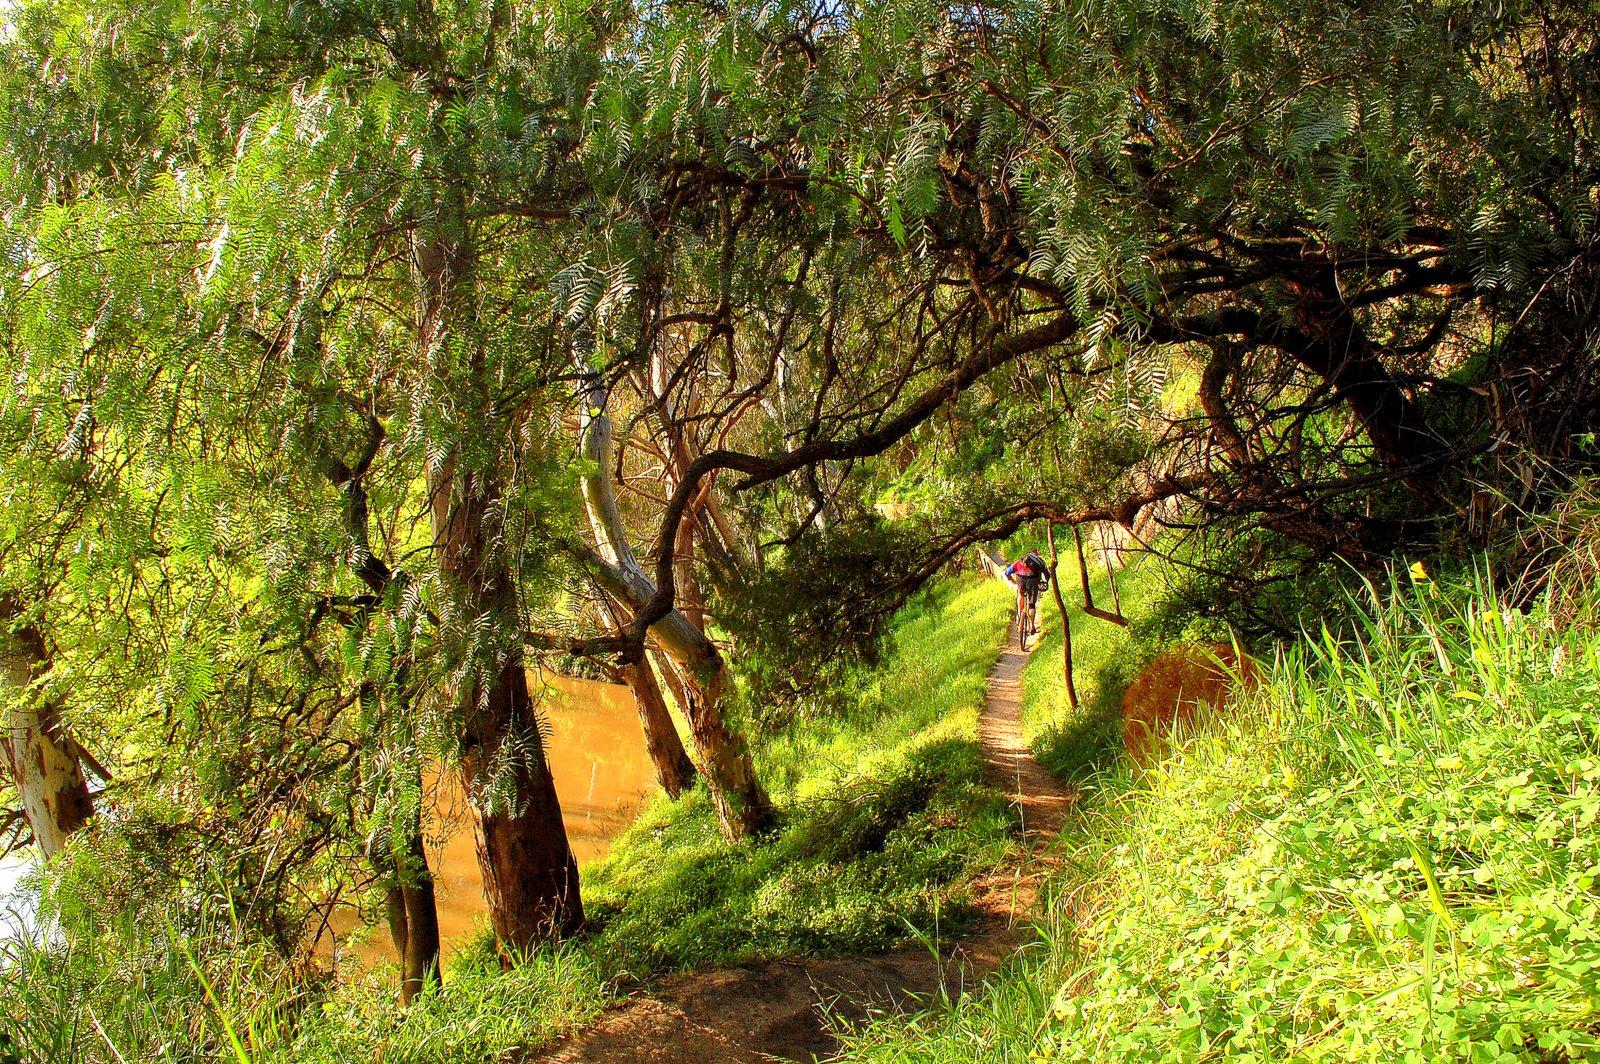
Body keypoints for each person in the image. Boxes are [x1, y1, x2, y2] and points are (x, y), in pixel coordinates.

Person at [1005, 550, 1049, 638]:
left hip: (1021, 581)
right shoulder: (1039, 562)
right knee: (1031, 604)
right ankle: (1032, 626)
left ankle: (1019, 615)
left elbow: (1007, 572)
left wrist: (1012, 580)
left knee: (1021, 595)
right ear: (1036, 555)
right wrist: (1045, 582)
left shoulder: (1019, 562)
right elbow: (1047, 575)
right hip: (1033, 582)